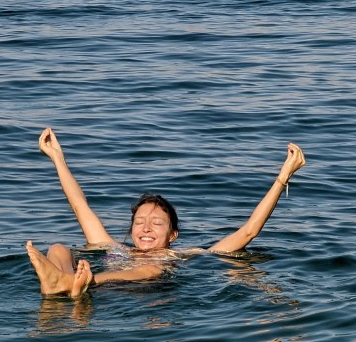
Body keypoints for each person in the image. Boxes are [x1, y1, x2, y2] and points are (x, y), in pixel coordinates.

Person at [26, 126, 306, 296]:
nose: (146, 228)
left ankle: (78, 282)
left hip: (130, 291)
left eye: (157, 223)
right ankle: (59, 281)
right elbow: (79, 205)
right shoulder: (113, 249)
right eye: (140, 222)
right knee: (60, 247)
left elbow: (248, 231)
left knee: (151, 268)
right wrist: (57, 158)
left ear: (173, 234)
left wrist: (283, 177)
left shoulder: (183, 255)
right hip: (96, 291)